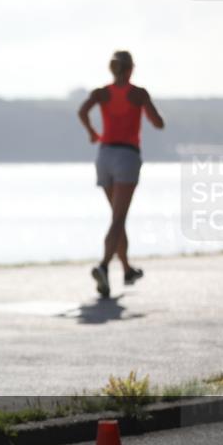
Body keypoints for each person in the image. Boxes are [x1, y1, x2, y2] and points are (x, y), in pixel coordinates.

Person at [77, 51, 164, 297]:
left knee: (117, 216)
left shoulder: (101, 93)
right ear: (130, 69)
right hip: (126, 156)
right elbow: (158, 123)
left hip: (104, 156)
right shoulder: (138, 94)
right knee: (118, 218)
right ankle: (104, 266)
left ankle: (126, 269)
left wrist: (92, 132)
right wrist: (147, 107)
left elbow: (82, 111)